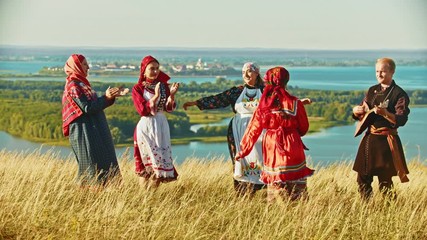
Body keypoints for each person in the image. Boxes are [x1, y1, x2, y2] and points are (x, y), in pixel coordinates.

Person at [183, 62, 265, 196]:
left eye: (249, 71)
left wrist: (299, 103)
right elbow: (218, 99)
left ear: (257, 73)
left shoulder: (266, 91)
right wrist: (196, 103)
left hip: (260, 129)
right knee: (240, 159)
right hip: (239, 129)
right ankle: (243, 193)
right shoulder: (236, 92)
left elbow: (282, 101)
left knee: (261, 158)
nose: (245, 74)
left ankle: (264, 188)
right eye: (243, 72)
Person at [235, 66, 314, 202]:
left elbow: (253, 130)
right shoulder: (295, 103)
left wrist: (243, 151)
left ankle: (278, 214)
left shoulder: (264, 106)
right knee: (297, 188)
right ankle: (300, 211)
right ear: (285, 81)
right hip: (293, 145)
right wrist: (292, 132)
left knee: (276, 186)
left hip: (272, 146)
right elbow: (303, 128)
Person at [352, 58, 410, 200]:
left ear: (392, 72)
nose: (379, 74)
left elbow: (401, 120)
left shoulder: (399, 94)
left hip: (386, 142)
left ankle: (390, 211)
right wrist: (356, 111)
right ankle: (366, 210)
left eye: (382, 71)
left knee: (385, 182)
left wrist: (386, 113)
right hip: (369, 139)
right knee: (362, 178)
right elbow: (362, 113)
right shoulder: (372, 90)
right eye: (377, 71)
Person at [62, 54, 122, 187]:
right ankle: (87, 199)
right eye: (84, 64)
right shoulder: (73, 85)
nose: (88, 67)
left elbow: (92, 105)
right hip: (83, 131)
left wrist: (109, 97)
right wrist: (106, 97)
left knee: (103, 163)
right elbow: (87, 107)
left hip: (93, 129)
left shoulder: (82, 84)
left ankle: (98, 199)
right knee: (91, 166)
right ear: (76, 66)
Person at [132, 55, 180, 187]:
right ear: (144, 70)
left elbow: (168, 108)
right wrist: (156, 96)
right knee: (147, 168)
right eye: (152, 68)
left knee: (158, 167)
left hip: (160, 125)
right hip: (146, 126)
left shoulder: (163, 87)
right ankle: (143, 198)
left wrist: (172, 95)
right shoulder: (138, 88)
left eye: (157, 68)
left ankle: (152, 198)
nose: (155, 71)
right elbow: (142, 110)